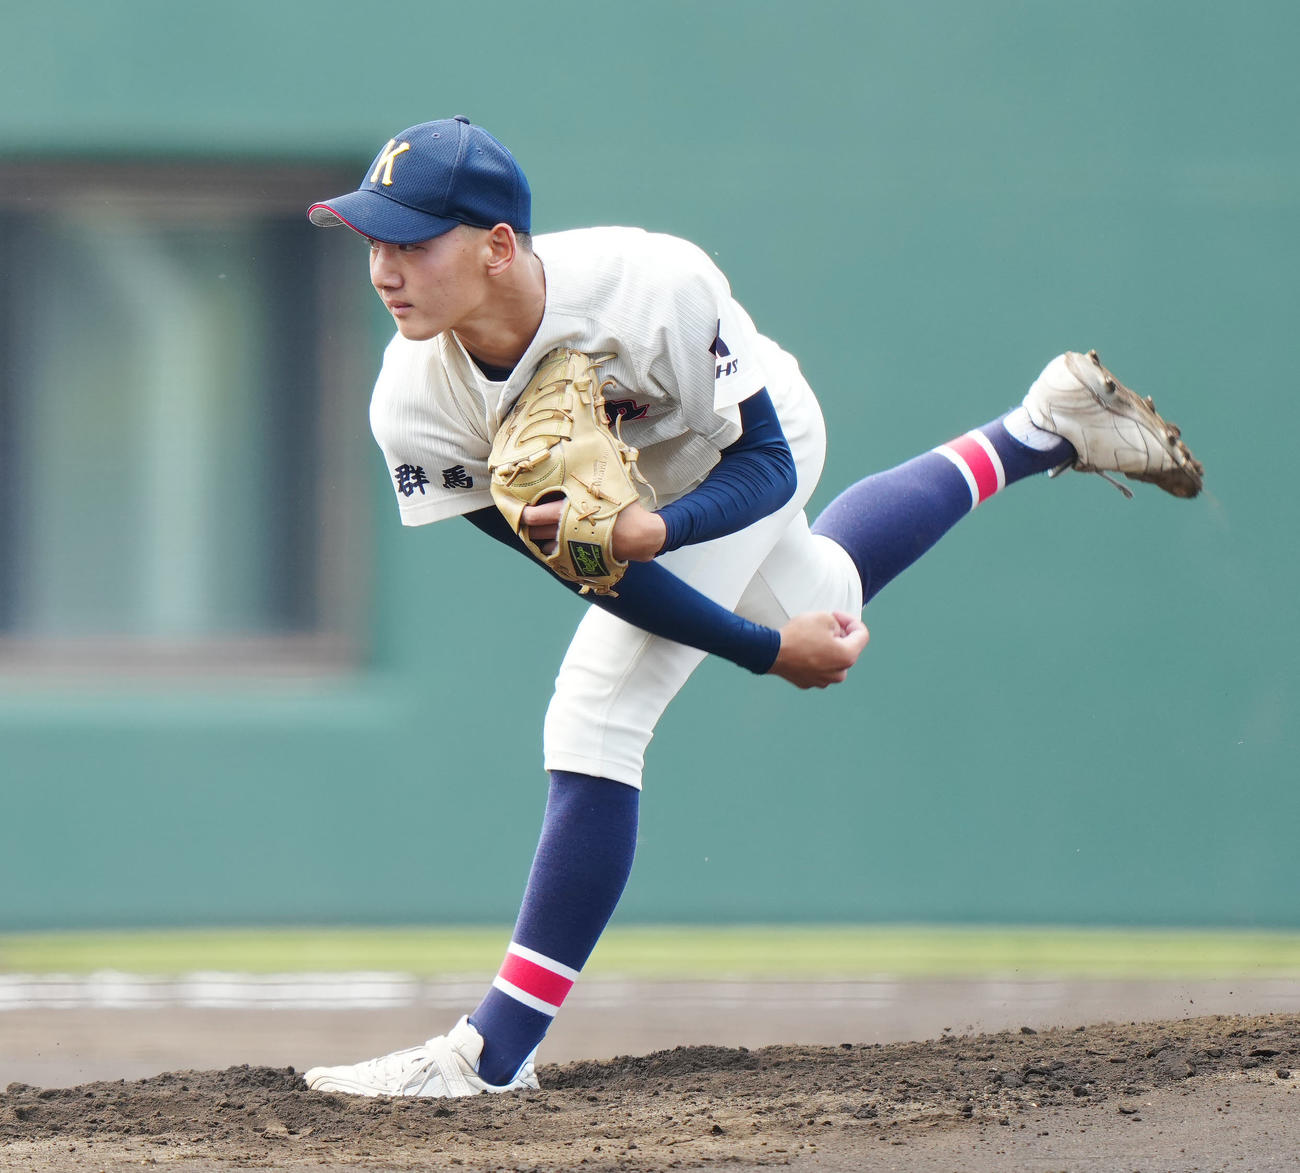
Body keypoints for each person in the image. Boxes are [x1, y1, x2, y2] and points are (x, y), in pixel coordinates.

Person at [300, 116, 1202, 1098]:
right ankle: (1038, 429)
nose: (383, 268)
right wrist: (761, 637)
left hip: (742, 453)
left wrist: (706, 583)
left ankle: (490, 1056)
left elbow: (764, 462)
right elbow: (589, 576)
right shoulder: (414, 402)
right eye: (372, 240)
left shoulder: (652, 286)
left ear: (498, 244)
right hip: (644, 521)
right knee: (830, 597)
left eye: (412, 241)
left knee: (596, 712)